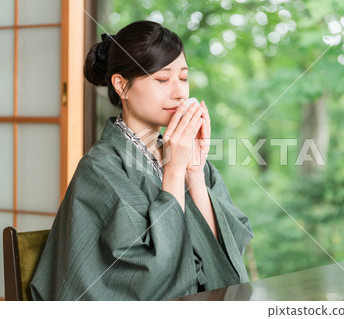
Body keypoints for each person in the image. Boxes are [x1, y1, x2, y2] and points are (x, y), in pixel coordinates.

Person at [30, 20, 253, 301]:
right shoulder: (99, 167)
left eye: (183, 78)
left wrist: (193, 171)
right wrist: (173, 172)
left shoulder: (185, 153)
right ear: (122, 86)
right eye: (162, 79)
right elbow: (148, 276)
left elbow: (227, 253)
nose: (179, 92)